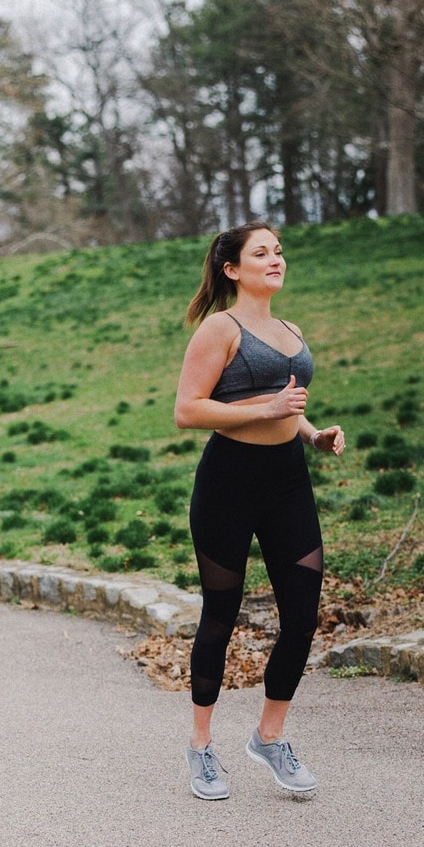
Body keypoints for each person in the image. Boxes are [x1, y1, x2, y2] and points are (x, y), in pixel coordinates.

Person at [174, 221, 345, 800]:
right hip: (228, 482)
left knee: (302, 616)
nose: (276, 260)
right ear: (232, 269)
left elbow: (286, 406)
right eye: (261, 253)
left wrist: (312, 433)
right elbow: (189, 411)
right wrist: (267, 406)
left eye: (279, 251)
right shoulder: (219, 329)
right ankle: (200, 749)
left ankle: (269, 737)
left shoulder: (289, 329)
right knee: (220, 616)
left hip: (286, 482)